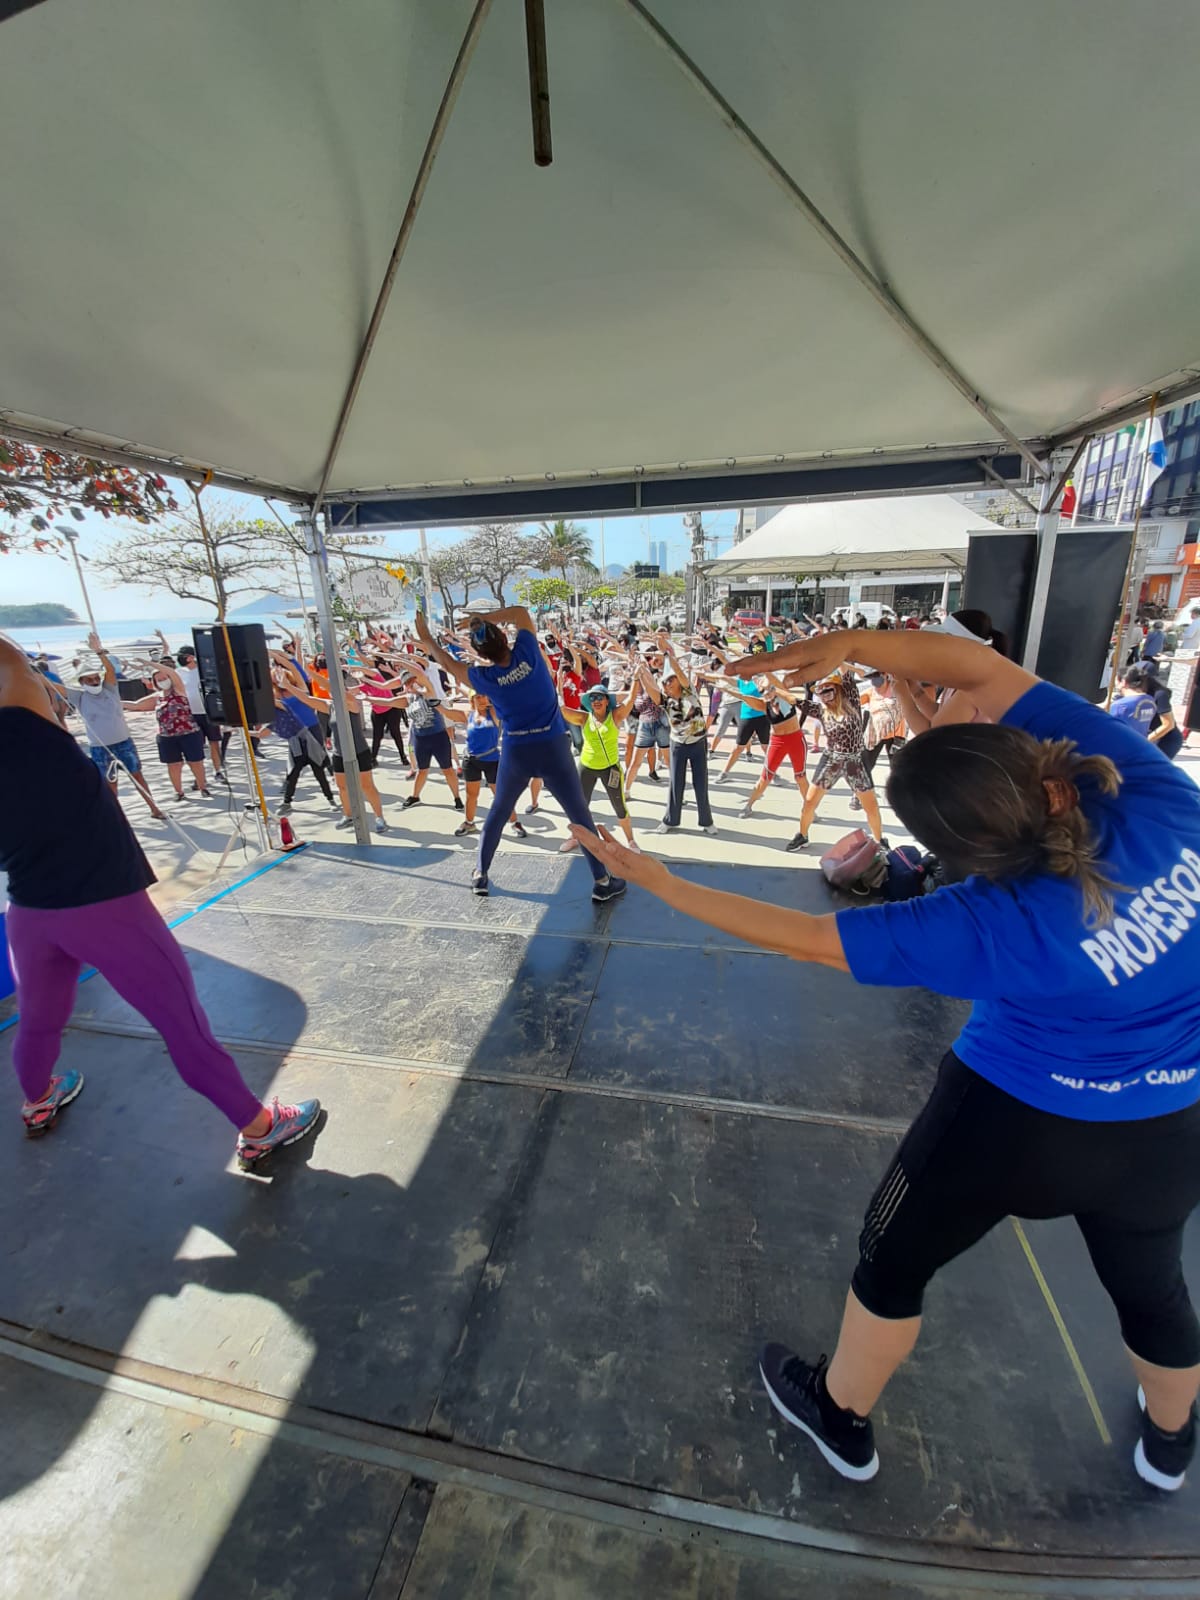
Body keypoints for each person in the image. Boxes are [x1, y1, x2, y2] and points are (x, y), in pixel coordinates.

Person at [570, 622, 1200, 1493]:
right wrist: (856, 643)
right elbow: (976, 665)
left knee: (891, 1260)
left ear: (959, 855)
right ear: (1041, 771)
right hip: (1166, 1123)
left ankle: (840, 1415)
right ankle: (1171, 1444)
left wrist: (664, 882)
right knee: (1154, 1290)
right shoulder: (1151, 793)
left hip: (1005, 1122)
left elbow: (803, 937)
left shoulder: (973, 920)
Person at [0, 633, 320, 1166]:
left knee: (37, 1019)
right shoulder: (26, 726)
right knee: (183, 1026)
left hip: (30, 914)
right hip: (106, 909)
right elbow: (7, 657)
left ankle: (37, 1101)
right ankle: (261, 1128)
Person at [414, 608, 625, 903]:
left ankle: (480, 874)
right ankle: (602, 881)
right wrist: (485, 616)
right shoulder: (527, 651)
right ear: (504, 636)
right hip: (552, 746)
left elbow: (449, 664)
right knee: (579, 815)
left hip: (517, 750)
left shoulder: (483, 677)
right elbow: (521, 613)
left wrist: (427, 639)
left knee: (499, 811)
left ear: (480, 653)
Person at [57, 637, 164, 820]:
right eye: (89, 679)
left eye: (95, 678)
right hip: (100, 748)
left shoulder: (109, 689)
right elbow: (50, 685)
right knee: (110, 783)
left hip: (124, 742)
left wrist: (99, 652)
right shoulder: (79, 697)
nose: (94, 681)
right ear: (81, 682)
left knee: (137, 776)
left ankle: (154, 808)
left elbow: (110, 671)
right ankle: (114, 816)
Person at [790, 670, 883, 850]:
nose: (824, 693)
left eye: (828, 688)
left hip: (855, 762)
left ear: (838, 689)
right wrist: (772, 687)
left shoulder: (852, 702)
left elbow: (846, 671)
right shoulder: (820, 710)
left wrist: (836, 653)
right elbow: (792, 699)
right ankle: (802, 835)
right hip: (831, 759)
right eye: (821, 691)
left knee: (871, 806)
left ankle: (880, 841)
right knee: (809, 802)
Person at [642, 639, 716, 836]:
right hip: (678, 745)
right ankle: (670, 820)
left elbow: (680, 673)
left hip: (698, 742)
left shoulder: (689, 691)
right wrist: (641, 674)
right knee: (676, 783)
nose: (668, 683)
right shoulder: (666, 701)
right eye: (665, 682)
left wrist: (668, 656)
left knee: (701, 782)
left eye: (671, 679)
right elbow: (651, 690)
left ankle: (706, 821)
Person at [894, 610, 1009, 731]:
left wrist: (903, 697)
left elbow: (934, 735)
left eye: (942, 643)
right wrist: (914, 689)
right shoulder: (960, 679)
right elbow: (941, 714)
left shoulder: (971, 686)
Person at [562, 683, 640, 852]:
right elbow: (561, 709)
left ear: (606, 701)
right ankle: (574, 837)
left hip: (610, 769)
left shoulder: (616, 716)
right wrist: (555, 684)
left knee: (619, 807)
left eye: (599, 697)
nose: (595, 701)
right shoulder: (584, 717)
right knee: (579, 805)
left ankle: (631, 841)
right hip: (586, 767)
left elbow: (631, 698)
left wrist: (636, 678)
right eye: (592, 698)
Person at [727, 671, 810, 822]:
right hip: (778, 740)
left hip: (795, 739)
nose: (765, 693)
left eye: (767, 689)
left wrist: (764, 671)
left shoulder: (783, 694)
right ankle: (748, 805)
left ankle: (810, 809)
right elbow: (743, 697)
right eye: (761, 692)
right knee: (765, 777)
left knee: (800, 777)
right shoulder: (764, 706)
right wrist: (725, 689)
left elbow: (773, 678)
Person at [125, 659, 211, 803]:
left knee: (195, 762)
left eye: (164, 678)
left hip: (189, 733)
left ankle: (203, 787)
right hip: (167, 737)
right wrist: (114, 702)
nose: (163, 680)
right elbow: (136, 705)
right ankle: (179, 792)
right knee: (173, 764)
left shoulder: (179, 689)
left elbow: (172, 672)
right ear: (155, 683)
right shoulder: (157, 697)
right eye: (159, 680)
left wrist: (151, 664)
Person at [456, 692, 527, 840]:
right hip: (471, 760)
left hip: (492, 760)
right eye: (478, 696)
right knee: (471, 795)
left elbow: (504, 701)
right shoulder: (468, 714)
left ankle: (514, 823)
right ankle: (469, 823)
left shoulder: (493, 712)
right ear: (472, 699)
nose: (482, 699)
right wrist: (436, 704)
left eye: (484, 696)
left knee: (501, 795)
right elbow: (447, 712)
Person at [160, 633, 227, 786]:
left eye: (183, 656)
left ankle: (218, 771)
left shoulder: (205, 670)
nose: (181, 659)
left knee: (214, 743)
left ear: (190, 657)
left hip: (208, 712)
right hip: (189, 715)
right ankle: (200, 778)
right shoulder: (179, 672)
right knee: (196, 747)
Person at [398, 664, 464, 813]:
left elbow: (422, 677)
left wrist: (403, 661)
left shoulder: (429, 692)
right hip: (421, 739)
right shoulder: (408, 699)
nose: (410, 684)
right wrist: (368, 698)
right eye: (406, 683)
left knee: (447, 769)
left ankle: (457, 798)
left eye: (411, 681)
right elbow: (388, 702)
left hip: (438, 737)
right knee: (422, 770)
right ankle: (415, 796)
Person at [1110, 668, 1158, 737]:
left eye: (1116, 681)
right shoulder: (1150, 701)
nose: (1115, 685)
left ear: (1123, 682)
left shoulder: (1120, 705)